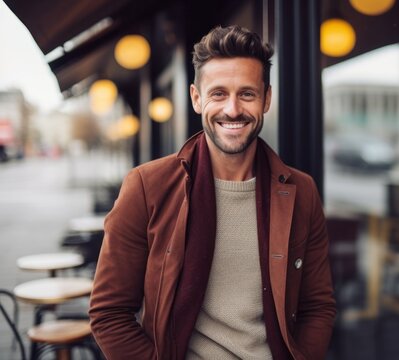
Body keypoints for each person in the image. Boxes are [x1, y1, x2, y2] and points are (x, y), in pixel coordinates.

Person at [89, 25, 336, 360]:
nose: (232, 110)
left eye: (247, 94)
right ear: (196, 98)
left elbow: (318, 306)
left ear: (266, 99)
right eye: (218, 93)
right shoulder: (147, 187)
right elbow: (109, 313)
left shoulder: (301, 191)